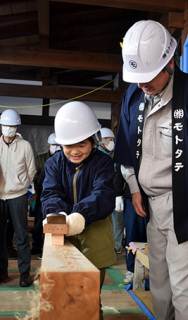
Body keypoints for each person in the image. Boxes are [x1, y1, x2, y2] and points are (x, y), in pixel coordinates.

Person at [113, 20, 188, 320]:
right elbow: (125, 149)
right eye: (137, 77)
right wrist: (134, 188)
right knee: (159, 285)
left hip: (186, 205)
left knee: (185, 290)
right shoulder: (134, 97)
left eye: (148, 76)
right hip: (150, 205)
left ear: (170, 62)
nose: (141, 84)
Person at [41, 101, 116, 320]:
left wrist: (80, 215)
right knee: (65, 295)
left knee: (90, 297)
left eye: (81, 144)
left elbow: (103, 194)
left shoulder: (102, 163)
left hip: (96, 232)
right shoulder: (54, 164)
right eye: (68, 145)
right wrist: (59, 216)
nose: (75, 151)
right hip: (63, 234)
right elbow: (50, 193)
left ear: (93, 141)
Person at [0, 109, 36, 287]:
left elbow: (32, 170)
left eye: (12, 125)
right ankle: (2, 270)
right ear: (1, 126)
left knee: (21, 236)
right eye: (5, 125)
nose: (8, 128)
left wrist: (22, 185)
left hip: (18, 196)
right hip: (0, 196)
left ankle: (24, 273)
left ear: (17, 127)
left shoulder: (25, 146)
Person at [114, 163, 147, 284]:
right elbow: (120, 168)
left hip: (157, 195)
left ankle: (159, 270)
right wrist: (118, 193)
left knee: (156, 236)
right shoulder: (128, 144)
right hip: (132, 196)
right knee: (133, 234)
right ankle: (131, 269)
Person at [31, 133, 61, 255]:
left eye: (57, 145)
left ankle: (52, 249)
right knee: (39, 223)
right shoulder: (42, 160)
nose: (55, 147)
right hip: (43, 196)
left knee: (55, 223)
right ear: (49, 145)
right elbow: (37, 178)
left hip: (57, 197)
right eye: (53, 145)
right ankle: (37, 246)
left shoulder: (65, 160)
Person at [98, 127, 125, 255]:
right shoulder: (96, 157)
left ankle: (116, 247)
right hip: (101, 196)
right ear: (102, 142)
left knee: (117, 222)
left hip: (116, 195)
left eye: (113, 140)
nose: (112, 143)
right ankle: (102, 249)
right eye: (109, 140)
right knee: (102, 224)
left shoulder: (116, 157)